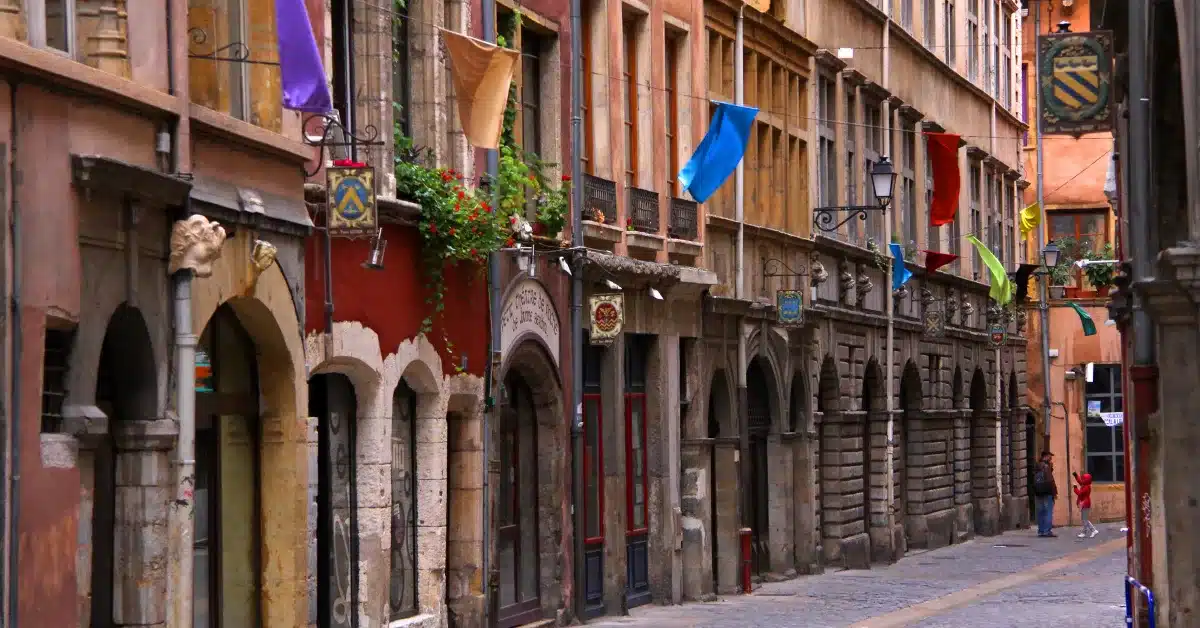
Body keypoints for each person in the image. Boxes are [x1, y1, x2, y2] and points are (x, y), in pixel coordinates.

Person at [1032, 451, 1058, 537]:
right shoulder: (1046, 467)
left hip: (1038, 491)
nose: (1051, 459)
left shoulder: (1037, 466)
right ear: (1046, 456)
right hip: (1047, 491)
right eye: (1050, 457)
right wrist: (1054, 492)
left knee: (1040, 511)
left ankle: (1041, 530)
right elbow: (1050, 481)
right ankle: (1047, 531)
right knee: (1048, 511)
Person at [1074, 471, 1099, 538]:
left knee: (1084, 519)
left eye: (1083, 479)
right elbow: (1080, 481)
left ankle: (1091, 531)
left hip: (1085, 503)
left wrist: (1075, 488)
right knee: (1084, 519)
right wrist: (1076, 476)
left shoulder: (1086, 487)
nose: (1082, 480)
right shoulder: (1085, 485)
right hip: (1084, 503)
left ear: (1086, 480)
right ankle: (1088, 531)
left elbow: (1079, 493)